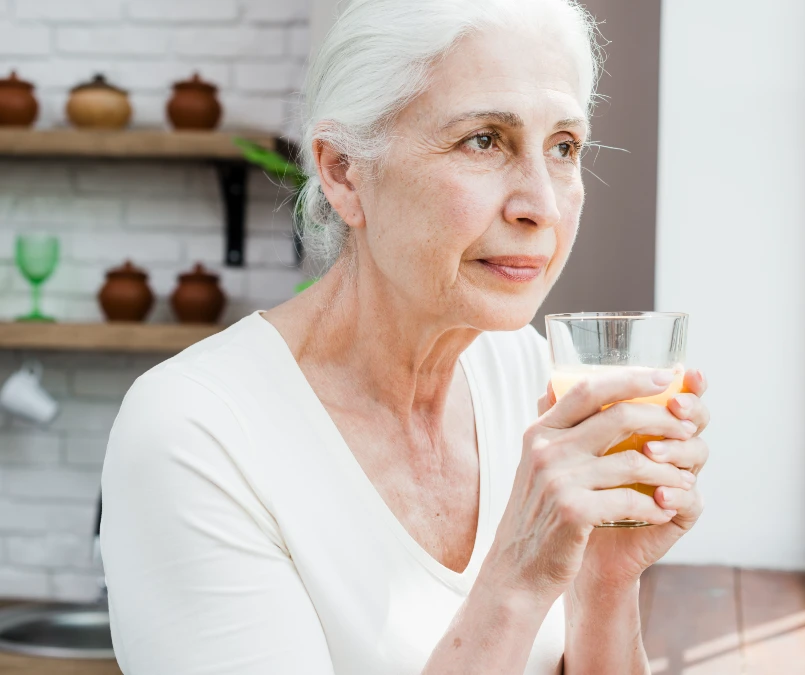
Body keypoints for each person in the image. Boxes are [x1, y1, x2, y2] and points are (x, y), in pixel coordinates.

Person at [99, 0, 710, 672]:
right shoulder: (193, 433)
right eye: (484, 140)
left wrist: (605, 579)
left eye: (564, 147)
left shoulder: (534, 378)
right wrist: (518, 577)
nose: (540, 204)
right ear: (342, 172)